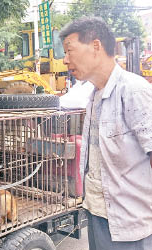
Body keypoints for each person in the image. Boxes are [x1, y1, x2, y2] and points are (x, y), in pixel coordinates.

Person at [59, 17, 152, 250]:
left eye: (70, 50)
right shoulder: (94, 96)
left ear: (96, 46)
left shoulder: (133, 91)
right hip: (98, 214)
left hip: (131, 226)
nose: (65, 59)